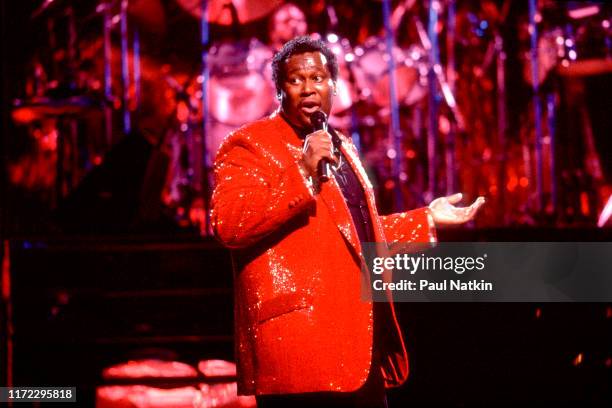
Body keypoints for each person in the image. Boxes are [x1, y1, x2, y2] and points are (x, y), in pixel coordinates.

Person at [211, 36, 485, 407]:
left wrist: (426, 218)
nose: (308, 88)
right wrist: (304, 173)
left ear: (334, 87)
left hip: (357, 345)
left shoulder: (341, 145)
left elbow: (353, 232)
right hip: (298, 348)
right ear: (279, 90)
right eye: (296, 80)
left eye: (318, 78)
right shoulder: (250, 144)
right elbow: (230, 224)